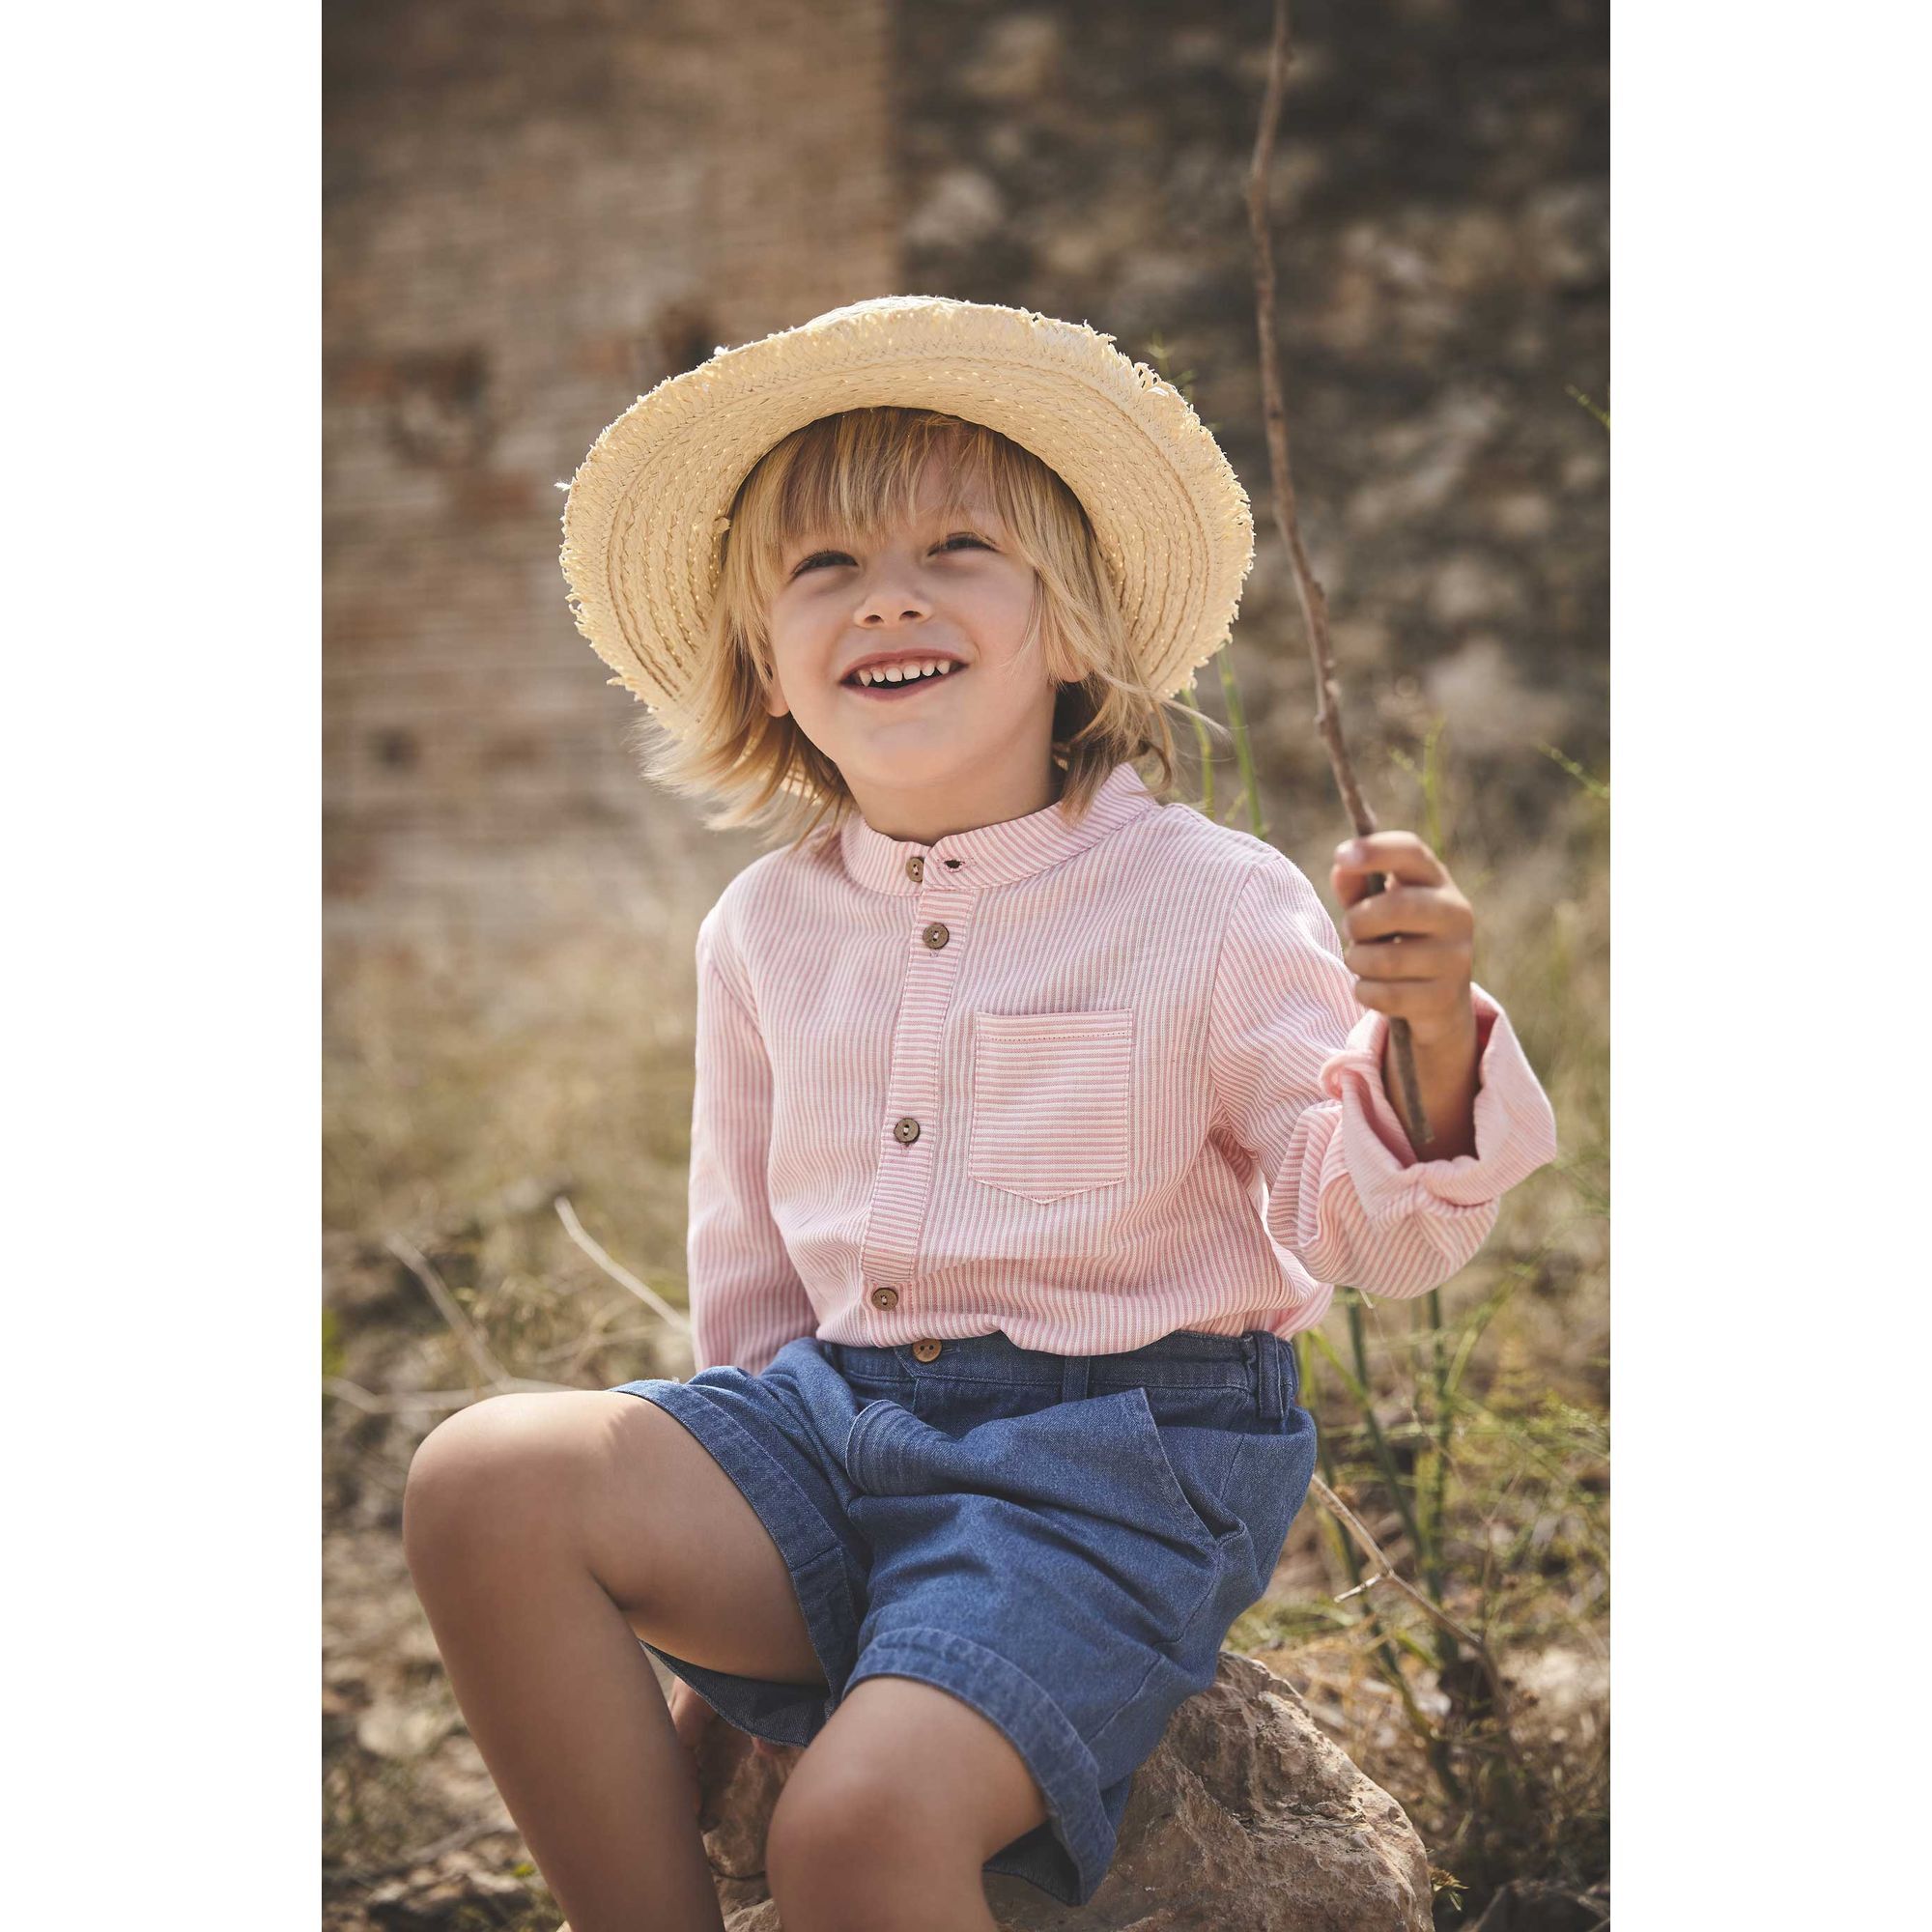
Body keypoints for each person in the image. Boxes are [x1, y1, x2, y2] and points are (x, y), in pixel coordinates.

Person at [402, 295, 1559, 1932]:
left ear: (1071, 629)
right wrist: (730, 1594)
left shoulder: (1211, 902)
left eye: (957, 547)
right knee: (482, 1475)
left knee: (856, 1835)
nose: (889, 591)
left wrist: (1425, 1031)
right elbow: (748, 1284)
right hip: (825, 1432)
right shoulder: (763, 929)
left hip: (1113, 1463)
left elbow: (1365, 1234)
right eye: (823, 567)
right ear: (769, 668)